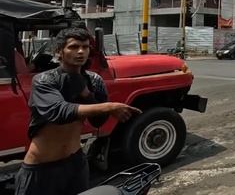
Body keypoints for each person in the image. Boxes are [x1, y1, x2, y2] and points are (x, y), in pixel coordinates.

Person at [14, 27, 141, 195]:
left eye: (85, 47)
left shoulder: (94, 80)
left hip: (75, 164)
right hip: (41, 168)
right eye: (73, 47)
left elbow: (98, 121)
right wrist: (111, 106)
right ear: (59, 51)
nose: (81, 51)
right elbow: (59, 111)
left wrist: (87, 94)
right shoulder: (44, 80)